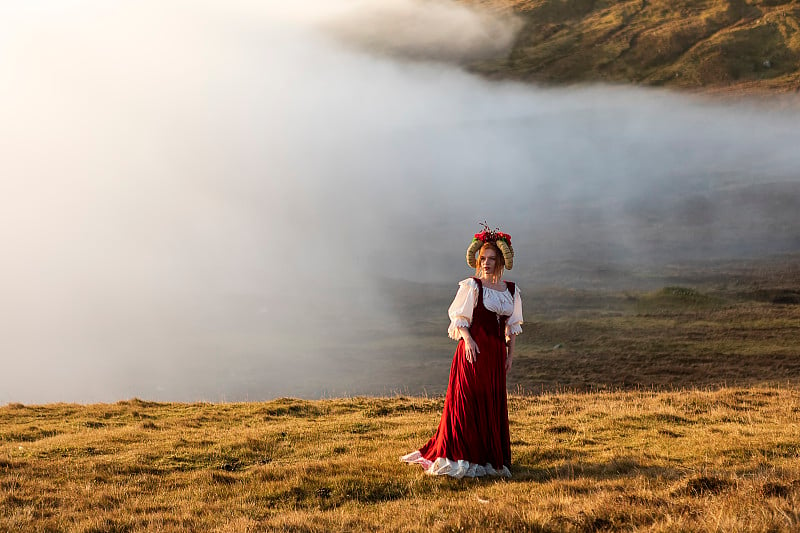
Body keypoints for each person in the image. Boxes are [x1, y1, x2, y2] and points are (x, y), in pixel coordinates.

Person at [401, 226, 523, 478]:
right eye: (483, 259)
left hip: (495, 357)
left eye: (491, 259)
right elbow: (459, 319)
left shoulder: (511, 291)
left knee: (490, 404)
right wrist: (467, 340)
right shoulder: (472, 286)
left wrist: (510, 355)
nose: (486, 264)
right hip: (473, 353)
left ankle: (489, 457)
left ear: (500, 261)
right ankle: (461, 455)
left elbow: (512, 328)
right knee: (467, 403)